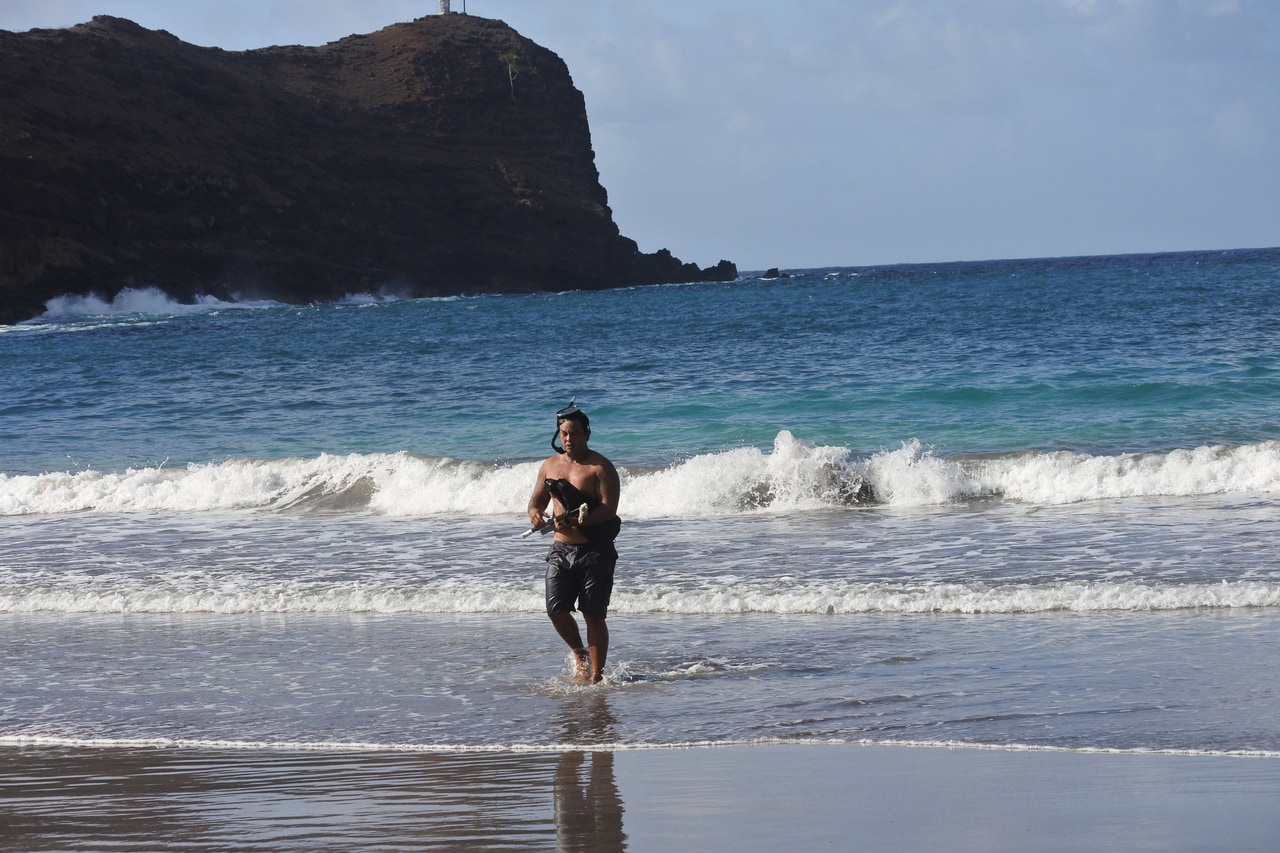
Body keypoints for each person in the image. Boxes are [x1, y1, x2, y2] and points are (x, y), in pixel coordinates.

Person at [527, 400, 621, 684]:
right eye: (565, 433)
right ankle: (579, 654)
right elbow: (538, 499)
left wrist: (581, 521)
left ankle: (598, 676)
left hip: (595, 552)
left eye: (575, 433)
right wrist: (533, 513)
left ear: (587, 433)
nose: (569, 439)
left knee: (593, 615)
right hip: (560, 549)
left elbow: (609, 509)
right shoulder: (549, 466)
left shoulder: (600, 467)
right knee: (556, 610)